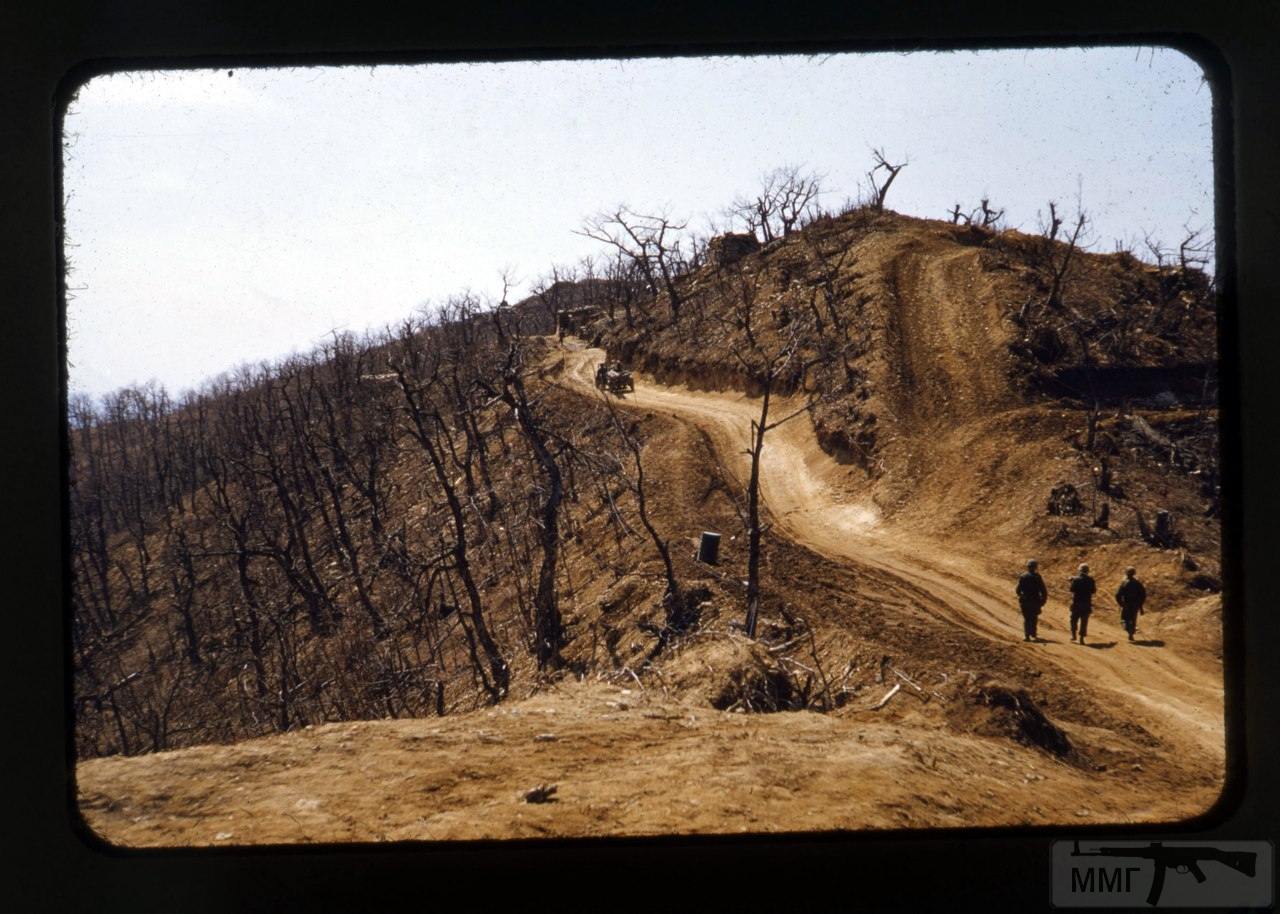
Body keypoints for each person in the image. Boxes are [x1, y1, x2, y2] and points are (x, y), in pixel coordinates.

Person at [1016, 559, 1048, 642]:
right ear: (1035, 567)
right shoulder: (1037, 577)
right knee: (1034, 618)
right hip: (1035, 601)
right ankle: (1033, 634)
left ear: (1028, 567)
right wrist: (1043, 601)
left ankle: (1027, 636)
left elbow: (1018, 590)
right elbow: (1043, 590)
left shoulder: (1023, 576)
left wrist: (1021, 596)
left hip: (1025, 601)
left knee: (1027, 619)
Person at [1115, 566, 1147, 642]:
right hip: (1135, 605)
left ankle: (1128, 630)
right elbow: (1143, 595)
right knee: (1133, 619)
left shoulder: (1124, 583)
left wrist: (1121, 604)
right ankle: (1131, 633)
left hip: (1126, 604)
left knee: (1124, 619)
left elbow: (1118, 595)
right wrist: (1140, 606)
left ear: (1127, 574)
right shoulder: (1138, 583)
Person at [1068, 563, 1096, 644]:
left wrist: (1072, 581)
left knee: (1073, 620)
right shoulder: (1091, 580)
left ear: (1079, 570)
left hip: (1076, 603)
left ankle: (1073, 636)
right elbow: (1093, 591)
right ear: (1087, 571)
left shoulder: (1076, 580)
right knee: (1084, 621)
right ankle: (1081, 638)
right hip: (1086, 604)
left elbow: (1071, 589)